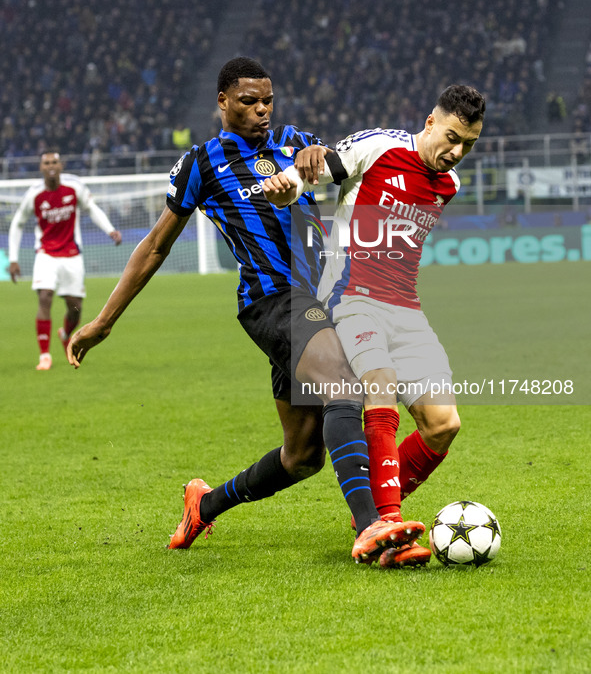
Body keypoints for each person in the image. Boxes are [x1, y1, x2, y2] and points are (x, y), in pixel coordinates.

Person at [67, 57, 424, 564]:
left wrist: (320, 154)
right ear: (222, 102)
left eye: (267, 101)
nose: (262, 110)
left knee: (301, 457)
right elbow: (153, 248)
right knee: (345, 385)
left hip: (321, 299)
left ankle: (204, 504)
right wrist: (103, 322)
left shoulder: (295, 141)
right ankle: (373, 530)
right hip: (271, 301)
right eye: (248, 101)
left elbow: (340, 169)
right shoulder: (202, 164)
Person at [263, 84, 485, 567]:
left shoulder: (450, 186)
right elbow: (318, 170)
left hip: (406, 308)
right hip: (350, 297)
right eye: (451, 137)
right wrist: (288, 186)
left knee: (443, 424)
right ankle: (382, 525)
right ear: (430, 122)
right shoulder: (382, 146)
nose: (457, 152)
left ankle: (378, 504)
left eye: (468, 144)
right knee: (378, 386)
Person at [8, 150, 122, 370]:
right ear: (41, 168)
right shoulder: (34, 194)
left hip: (72, 254)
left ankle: (65, 333)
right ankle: (44, 355)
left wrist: (110, 230)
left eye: (55, 162)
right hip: (45, 254)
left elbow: (92, 209)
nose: (51, 165)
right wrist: (13, 258)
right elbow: (18, 223)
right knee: (45, 297)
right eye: (46, 162)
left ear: (61, 166)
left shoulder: (74, 187)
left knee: (75, 307)